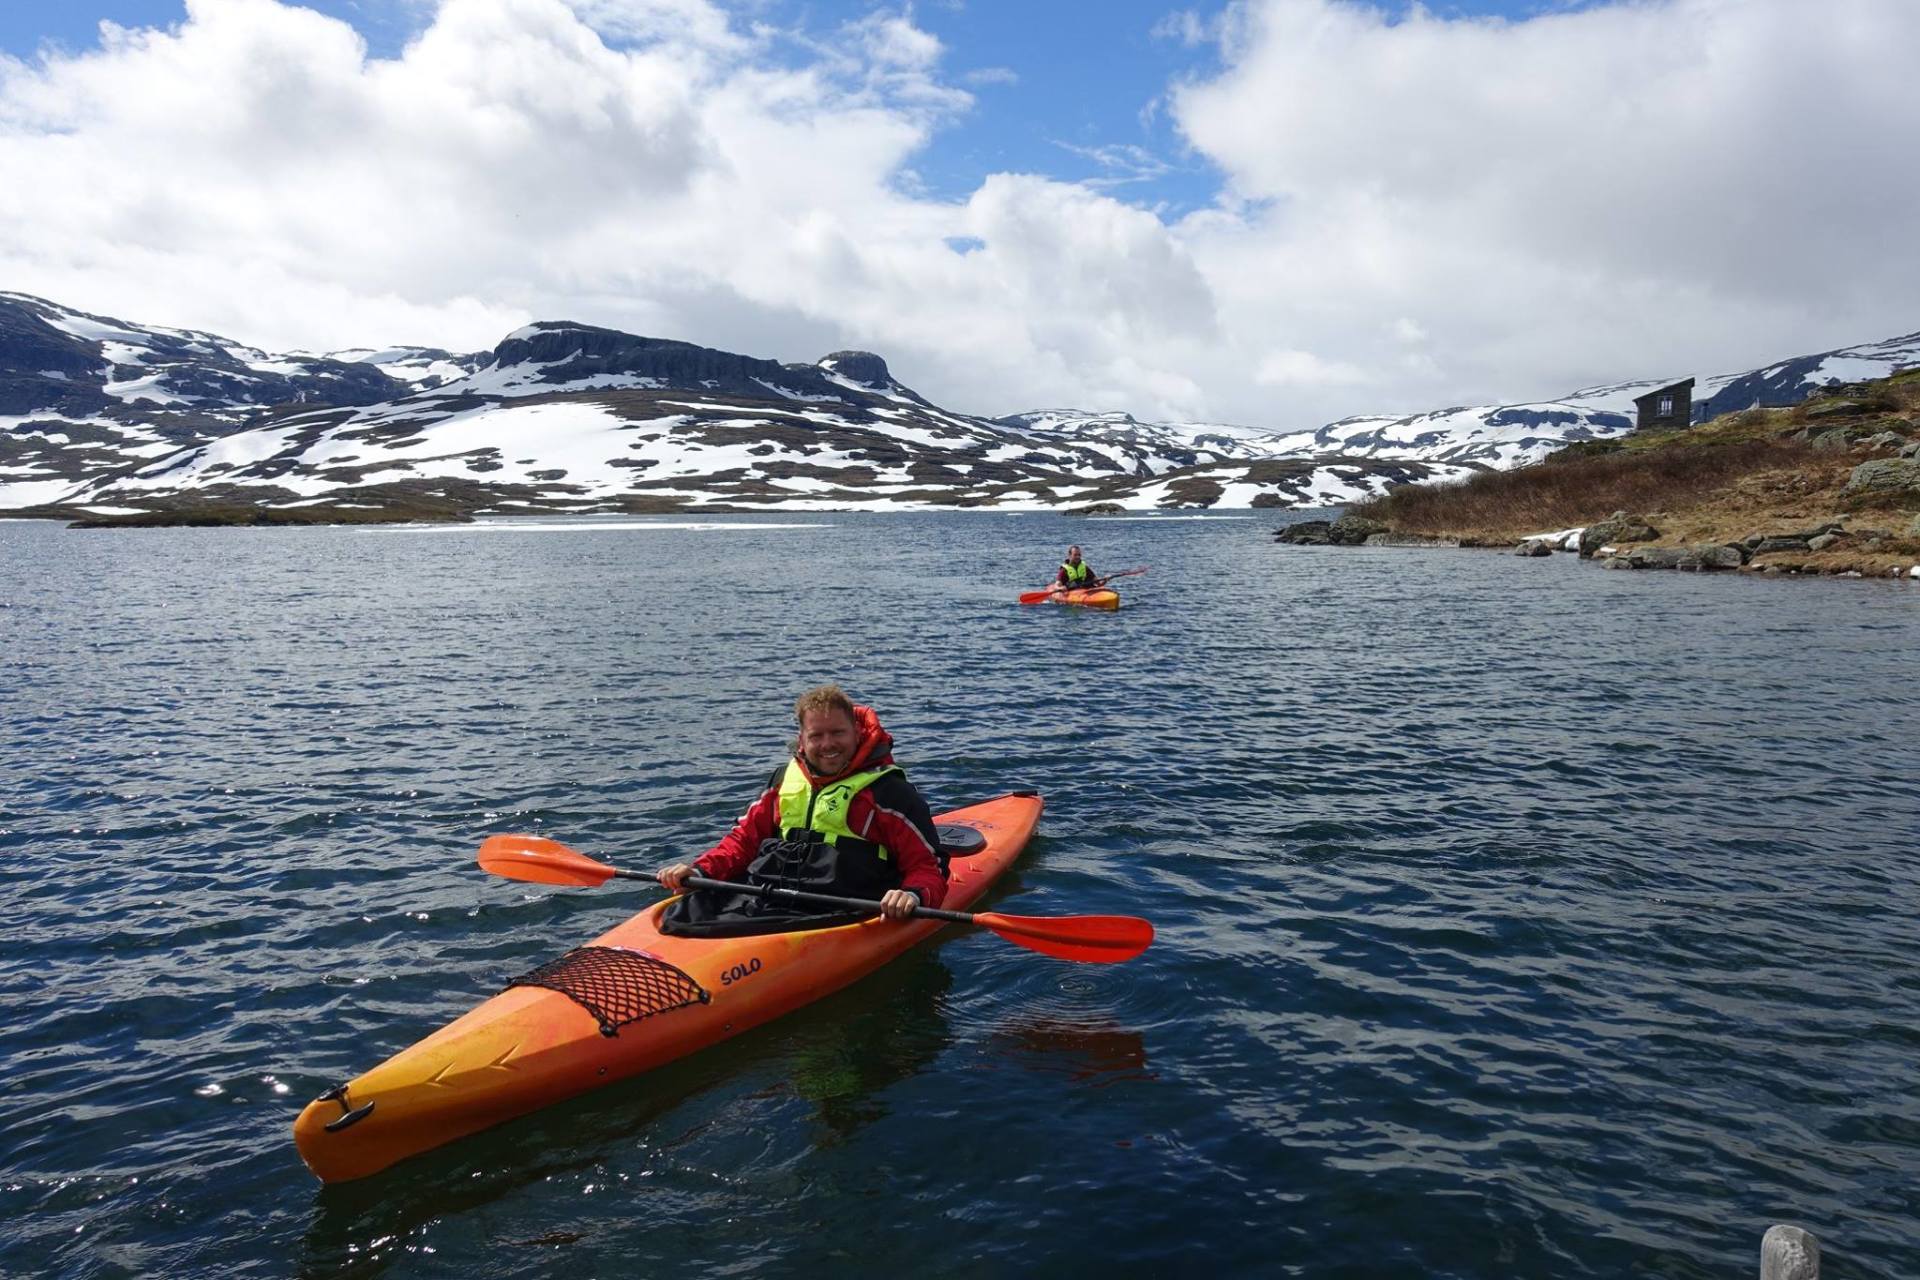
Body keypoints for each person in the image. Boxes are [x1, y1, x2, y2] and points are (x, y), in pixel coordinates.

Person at [656, 685, 945, 924]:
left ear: (856, 734)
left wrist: (912, 894)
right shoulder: (783, 781)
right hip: (768, 897)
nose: (828, 744)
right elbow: (742, 842)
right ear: (802, 741)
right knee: (681, 916)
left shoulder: (889, 793)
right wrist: (699, 871)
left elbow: (928, 867)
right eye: (816, 736)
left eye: (838, 733)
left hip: (843, 908)